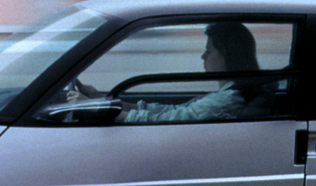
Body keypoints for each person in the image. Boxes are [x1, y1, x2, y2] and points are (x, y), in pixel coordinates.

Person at [68, 21, 261, 123]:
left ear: (227, 55)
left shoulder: (225, 102)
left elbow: (167, 119)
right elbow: (172, 111)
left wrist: (98, 109)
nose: (203, 57)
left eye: (209, 51)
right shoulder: (227, 95)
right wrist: (101, 99)